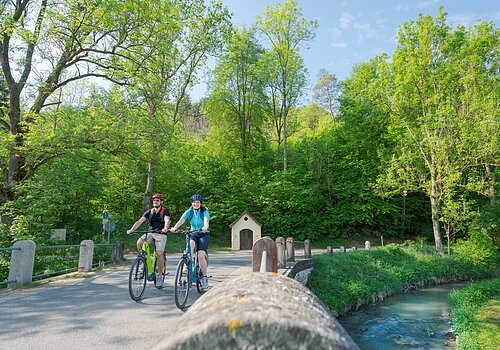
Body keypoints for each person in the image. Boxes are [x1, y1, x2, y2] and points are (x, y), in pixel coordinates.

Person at [127, 193, 170, 287]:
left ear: (161, 202)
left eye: (157, 200)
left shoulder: (165, 211)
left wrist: (165, 228)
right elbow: (139, 221)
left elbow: (167, 220)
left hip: (161, 234)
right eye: (154, 200)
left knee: (159, 253)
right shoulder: (149, 212)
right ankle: (144, 260)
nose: (155, 201)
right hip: (150, 233)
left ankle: (159, 275)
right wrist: (132, 229)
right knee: (139, 242)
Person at [170, 193, 210, 289]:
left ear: (200, 203)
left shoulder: (204, 211)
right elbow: (181, 220)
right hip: (193, 233)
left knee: (200, 255)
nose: (195, 204)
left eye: (197, 202)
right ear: (191, 203)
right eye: (194, 202)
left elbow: (206, 221)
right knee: (190, 246)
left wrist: (205, 227)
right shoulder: (189, 211)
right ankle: (186, 266)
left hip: (203, 234)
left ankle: (204, 277)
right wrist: (174, 228)